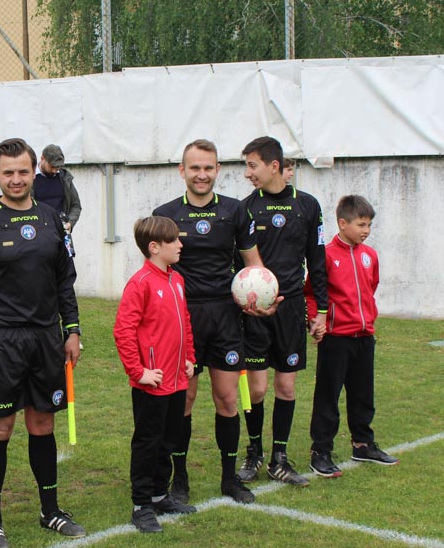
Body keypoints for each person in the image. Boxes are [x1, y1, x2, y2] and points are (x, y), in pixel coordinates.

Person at [0, 138, 85, 548]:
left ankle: (50, 510)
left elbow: (65, 279)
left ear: (34, 173)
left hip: (46, 338)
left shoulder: (52, 219)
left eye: (23, 171)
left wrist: (72, 329)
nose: (16, 179)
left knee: (42, 425)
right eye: (7, 172)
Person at [152, 139, 264, 504]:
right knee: (183, 400)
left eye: (208, 168)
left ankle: (230, 479)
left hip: (226, 316)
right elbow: (155, 272)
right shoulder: (165, 215)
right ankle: (180, 479)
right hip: (183, 318)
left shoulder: (235, 211)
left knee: (228, 399)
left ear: (217, 170)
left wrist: (262, 296)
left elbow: (253, 265)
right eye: (195, 168)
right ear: (182, 171)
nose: (202, 175)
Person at [237, 136, 328, 487]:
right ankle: (254, 451)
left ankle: (279, 458)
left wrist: (321, 310)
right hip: (255, 312)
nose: (248, 173)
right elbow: (237, 262)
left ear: (274, 166)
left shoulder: (307, 206)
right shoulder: (245, 209)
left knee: (286, 387)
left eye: (252, 165)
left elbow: (317, 261)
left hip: (290, 311)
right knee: (257, 389)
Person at [114, 216, 197, 533]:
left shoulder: (177, 279)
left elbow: (184, 321)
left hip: (177, 380)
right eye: (173, 240)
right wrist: (139, 372)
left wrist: (189, 358)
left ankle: (160, 495)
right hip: (153, 383)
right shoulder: (141, 284)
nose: (180, 244)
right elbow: (123, 330)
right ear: (154, 247)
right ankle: (141, 505)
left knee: (168, 440)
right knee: (148, 443)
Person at [308, 195, 397, 477]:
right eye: (361, 224)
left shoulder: (370, 255)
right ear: (342, 223)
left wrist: (367, 318)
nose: (366, 230)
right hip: (336, 338)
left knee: (363, 394)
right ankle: (321, 451)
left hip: (364, 335)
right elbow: (311, 293)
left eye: (369, 225)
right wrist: (316, 320)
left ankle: (363, 444)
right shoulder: (326, 255)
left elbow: (370, 288)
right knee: (328, 396)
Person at [32, 144, 82, 233]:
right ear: (42, 158)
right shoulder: (29, 178)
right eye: (52, 166)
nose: (55, 170)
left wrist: (70, 223)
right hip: (37, 232)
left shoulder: (64, 178)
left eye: (58, 167)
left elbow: (76, 205)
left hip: (60, 231)